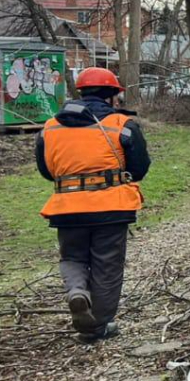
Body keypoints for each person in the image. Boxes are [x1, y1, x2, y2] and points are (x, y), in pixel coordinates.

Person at [35, 67, 150, 343]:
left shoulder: (49, 127)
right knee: (107, 266)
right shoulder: (123, 125)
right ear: (112, 96)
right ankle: (97, 327)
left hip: (67, 208)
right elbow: (140, 167)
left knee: (72, 257)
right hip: (111, 207)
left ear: (81, 92)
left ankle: (77, 292)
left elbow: (46, 170)